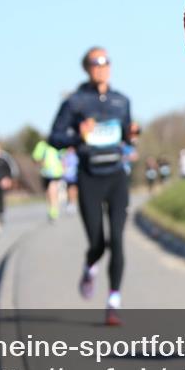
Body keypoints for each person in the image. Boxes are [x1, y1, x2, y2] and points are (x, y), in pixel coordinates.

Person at [49, 47, 133, 326]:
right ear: (87, 68)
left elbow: (126, 133)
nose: (102, 66)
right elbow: (55, 137)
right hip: (89, 177)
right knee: (97, 243)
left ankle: (113, 302)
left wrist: (132, 137)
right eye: (96, 63)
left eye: (106, 61)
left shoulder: (122, 101)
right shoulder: (75, 102)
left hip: (117, 176)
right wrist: (77, 134)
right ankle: (89, 267)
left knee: (118, 241)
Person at [32, 138, 64, 222]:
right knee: (48, 192)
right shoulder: (42, 145)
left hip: (56, 172)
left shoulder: (57, 143)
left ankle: (54, 211)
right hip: (45, 172)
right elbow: (36, 157)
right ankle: (52, 208)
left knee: (52, 189)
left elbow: (63, 155)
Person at [61, 146, 79, 214]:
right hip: (69, 175)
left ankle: (73, 202)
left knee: (74, 188)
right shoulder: (65, 154)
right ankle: (71, 202)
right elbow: (63, 164)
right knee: (70, 188)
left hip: (75, 174)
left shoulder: (76, 154)